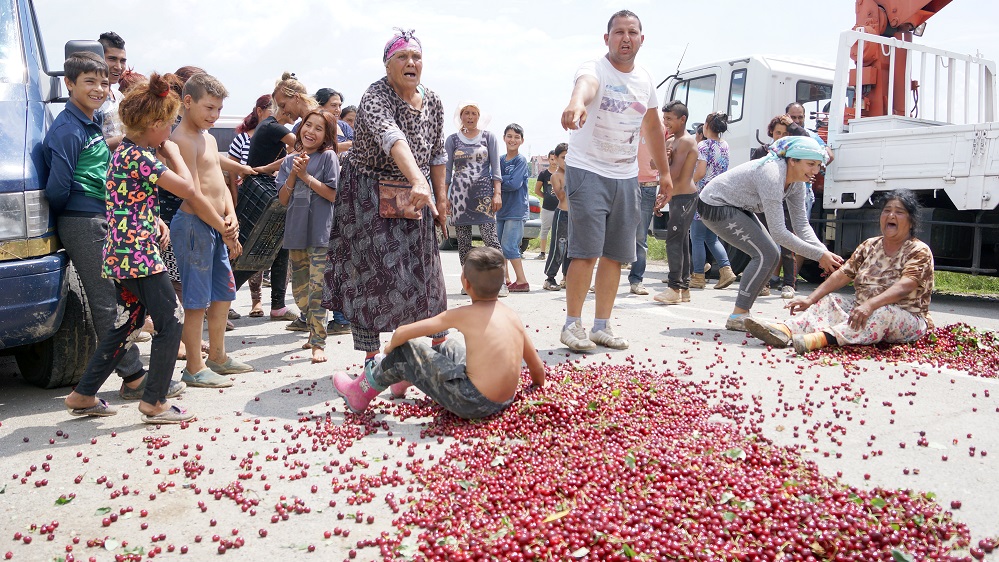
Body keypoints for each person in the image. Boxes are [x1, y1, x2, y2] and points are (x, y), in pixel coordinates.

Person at [64, 73, 227, 423]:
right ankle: (154, 402)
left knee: (128, 321)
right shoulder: (142, 156)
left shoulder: (124, 151)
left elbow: (129, 200)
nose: (170, 131)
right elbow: (186, 187)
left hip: (122, 250)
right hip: (138, 254)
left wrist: (154, 219)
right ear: (154, 125)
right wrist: (172, 152)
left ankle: (84, 393)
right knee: (171, 320)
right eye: (168, 125)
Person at [322, 28, 450, 373]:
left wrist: (440, 196)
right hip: (367, 192)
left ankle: (437, 346)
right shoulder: (376, 95)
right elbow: (392, 139)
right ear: (387, 64)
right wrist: (417, 179)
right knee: (372, 274)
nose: (411, 63)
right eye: (402, 57)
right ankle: (372, 360)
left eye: (416, 57)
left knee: (422, 270)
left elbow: (438, 152)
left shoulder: (434, 100)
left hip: (414, 192)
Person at [559, 10, 672, 351]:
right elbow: (586, 86)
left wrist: (664, 172)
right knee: (586, 252)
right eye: (619, 32)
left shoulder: (646, 79)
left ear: (641, 39)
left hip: (625, 176)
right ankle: (571, 324)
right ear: (606, 39)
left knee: (615, 255)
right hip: (588, 170)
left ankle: (601, 326)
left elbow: (653, 126)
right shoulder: (594, 68)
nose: (626, 37)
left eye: (632, 32)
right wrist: (576, 102)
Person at [42, 52, 150, 395]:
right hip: (82, 220)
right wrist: (78, 208)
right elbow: (57, 188)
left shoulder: (94, 123)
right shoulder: (67, 129)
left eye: (104, 82)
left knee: (126, 295)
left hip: (101, 217)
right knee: (106, 302)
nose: (99, 88)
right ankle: (133, 377)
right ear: (69, 84)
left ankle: (118, 373)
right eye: (89, 81)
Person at [332, 247, 546, 419]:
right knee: (446, 347)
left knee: (406, 349)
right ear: (502, 283)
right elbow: (537, 369)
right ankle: (402, 377)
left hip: (471, 402)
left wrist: (388, 350)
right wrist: (535, 389)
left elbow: (402, 333)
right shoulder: (512, 316)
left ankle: (359, 392)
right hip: (505, 400)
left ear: (466, 283)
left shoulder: (463, 314)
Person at [745, 190, 933, 354]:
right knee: (830, 301)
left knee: (883, 312)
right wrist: (810, 299)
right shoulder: (870, 245)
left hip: (906, 318)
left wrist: (871, 305)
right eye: (887, 211)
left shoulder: (918, 250)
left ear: (911, 221)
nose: (891, 215)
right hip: (863, 310)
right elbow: (843, 274)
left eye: (899, 212)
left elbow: (905, 285)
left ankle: (821, 338)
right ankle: (784, 330)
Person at [697, 136, 845, 331]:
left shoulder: (798, 182)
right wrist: (819, 256)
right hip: (715, 204)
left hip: (737, 205)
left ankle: (742, 313)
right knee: (765, 254)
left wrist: (824, 252)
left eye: (818, 165)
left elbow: (801, 225)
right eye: (810, 164)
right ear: (792, 160)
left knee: (771, 255)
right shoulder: (772, 175)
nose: (815, 171)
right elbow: (779, 233)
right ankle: (738, 315)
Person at [169, 72, 250, 387]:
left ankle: (218, 355)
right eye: (208, 108)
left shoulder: (210, 138)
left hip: (217, 227)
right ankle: (194, 365)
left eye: (218, 109)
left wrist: (231, 215)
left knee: (223, 293)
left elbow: (219, 184)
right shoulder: (181, 140)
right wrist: (224, 227)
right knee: (195, 299)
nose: (214, 115)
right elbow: (192, 193)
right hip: (194, 226)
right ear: (187, 102)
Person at [235, 72, 313, 326]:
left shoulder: (275, 126)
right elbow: (301, 150)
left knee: (279, 247)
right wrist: (271, 168)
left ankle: (278, 305)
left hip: (266, 187)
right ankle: (219, 303)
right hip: (261, 191)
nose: (286, 110)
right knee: (254, 249)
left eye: (284, 103)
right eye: (281, 105)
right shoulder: (273, 126)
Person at [277, 109, 339, 363]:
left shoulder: (328, 157)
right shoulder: (288, 161)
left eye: (318, 128)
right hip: (296, 233)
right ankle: (312, 326)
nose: (310, 131)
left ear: (326, 135)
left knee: (317, 290)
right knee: (300, 291)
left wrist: (306, 176)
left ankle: (318, 342)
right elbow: (282, 199)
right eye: (308, 125)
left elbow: (333, 195)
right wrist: (294, 172)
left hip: (320, 234)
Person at [445, 102, 503, 278]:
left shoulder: (488, 137)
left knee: (490, 239)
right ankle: (469, 280)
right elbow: (447, 171)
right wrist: (444, 197)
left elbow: (496, 169)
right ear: (460, 117)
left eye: (474, 113)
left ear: (479, 117)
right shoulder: (452, 140)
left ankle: (499, 280)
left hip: (483, 195)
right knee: (463, 242)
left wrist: (497, 194)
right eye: (466, 113)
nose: (470, 117)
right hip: (460, 197)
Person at [226, 94, 272, 319]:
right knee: (238, 249)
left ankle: (257, 301)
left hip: (269, 198)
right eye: (271, 109)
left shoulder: (276, 136)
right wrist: (234, 197)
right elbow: (232, 168)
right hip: (246, 198)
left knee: (260, 250)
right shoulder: (242, 138)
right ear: (260, 111)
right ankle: (226, 301)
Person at [653, 101, 699, 305]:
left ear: (683, 119)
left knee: (674, 240)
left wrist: (663, 193)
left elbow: (673, 173)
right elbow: (655, 164)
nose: (666, 123)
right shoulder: (671, 139)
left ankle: (674, 287)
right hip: (677, 197)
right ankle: (684, 288)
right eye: (664, 119)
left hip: (684, 197)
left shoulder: (686, 141)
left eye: (669, 119)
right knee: (680, 241)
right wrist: (663, 156)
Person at [689, 111, 736, 290]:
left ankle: (698, 276)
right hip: (719, 195)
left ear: (706, 126)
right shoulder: (725, 145)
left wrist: (687, 182)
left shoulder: (703, 146)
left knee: (697, 236)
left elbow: (700, 172)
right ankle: (726, 270)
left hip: (702, 194)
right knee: (711, 237)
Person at [627, 116, 664, 296]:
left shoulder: (659, 127)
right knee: (614, 232)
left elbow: (664, 155)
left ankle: (636, 280)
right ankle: (603, 278)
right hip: (626, 182)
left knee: (640, 237)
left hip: (649, 186)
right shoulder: (627, 122)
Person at [497, 123, 531, 292]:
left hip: (516, 210)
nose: (512, 140)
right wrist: (502, 179)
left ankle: (522, 281)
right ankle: (505, 279)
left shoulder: (521, 160)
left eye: (517, 137)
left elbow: (514, 184)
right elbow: (497, 179)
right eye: (509, 136)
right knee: (499, 247)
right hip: (501, 210)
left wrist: (497, 180)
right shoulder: (500, 160)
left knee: (510, 246)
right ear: (504, 138)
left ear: (522, 141)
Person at [542, 143, 571, 291]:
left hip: (575, 216)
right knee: (559, 247)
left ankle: (567, 277)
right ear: (556, 158)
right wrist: (571, 181)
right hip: (562, 215)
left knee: (572, 248)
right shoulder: (556, 176)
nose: (567, 161)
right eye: (564, 157)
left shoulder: (575, 174)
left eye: (570, 157)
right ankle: (550, 278)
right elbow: (561, 196)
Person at [97, 31, 126, 150]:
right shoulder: (91, 99)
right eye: (112, 59)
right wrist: (127, 139)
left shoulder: (119, 96)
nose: (118, 66)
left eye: (122, 61)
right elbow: (89, 148)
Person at [534, 150, 558, 261]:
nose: (554, 162)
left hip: (561, 208)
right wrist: (547, 197)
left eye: (555, 159)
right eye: (552, 159)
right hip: (547, 208)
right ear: (548, 159)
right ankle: (542, 253)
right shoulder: (544, 174)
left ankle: (558, 254)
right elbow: (537, 190)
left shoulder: (563, 173)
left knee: (558, 232)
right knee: (544, 230)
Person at [315, 88, 354, 153]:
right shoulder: (306, 125)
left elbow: (356, 145)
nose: (338, 110)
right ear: (320, 106)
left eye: (339, 106)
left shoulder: (343, 126)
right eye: (334, 105)